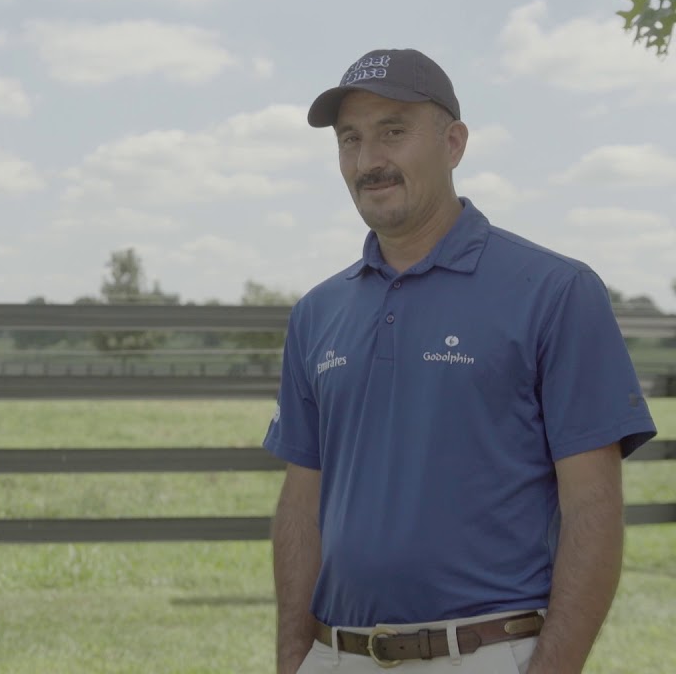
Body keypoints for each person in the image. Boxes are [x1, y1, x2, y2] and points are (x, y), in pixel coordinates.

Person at [264, 48, 658, 673]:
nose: (370, 161)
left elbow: (593, 506)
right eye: (351, 140)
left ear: (453, 143)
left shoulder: (554, 291)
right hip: (335, 656)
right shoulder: (317, 312)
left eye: (393, 132)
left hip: (484, 652)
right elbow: (301, 505)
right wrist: (294, 658)